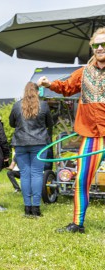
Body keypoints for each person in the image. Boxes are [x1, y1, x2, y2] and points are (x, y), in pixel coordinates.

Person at [37, 27, 105, 233]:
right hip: (92, 136)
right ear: (92, 47)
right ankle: (78, 224)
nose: (100, 48)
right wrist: (50, 83)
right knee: (82, 179)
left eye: (104, 44)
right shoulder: (83, 72)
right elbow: (66, 87)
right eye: (96, 45)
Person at [9, 82, 53, 217]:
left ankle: (27, 208)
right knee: (37, 174)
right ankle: (36, 208)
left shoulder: (17, 105)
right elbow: (50, 124)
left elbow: (11, 123)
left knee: (25, 174)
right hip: (39, 143)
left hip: (21, 143)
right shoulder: (43, 105)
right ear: (38, 92)